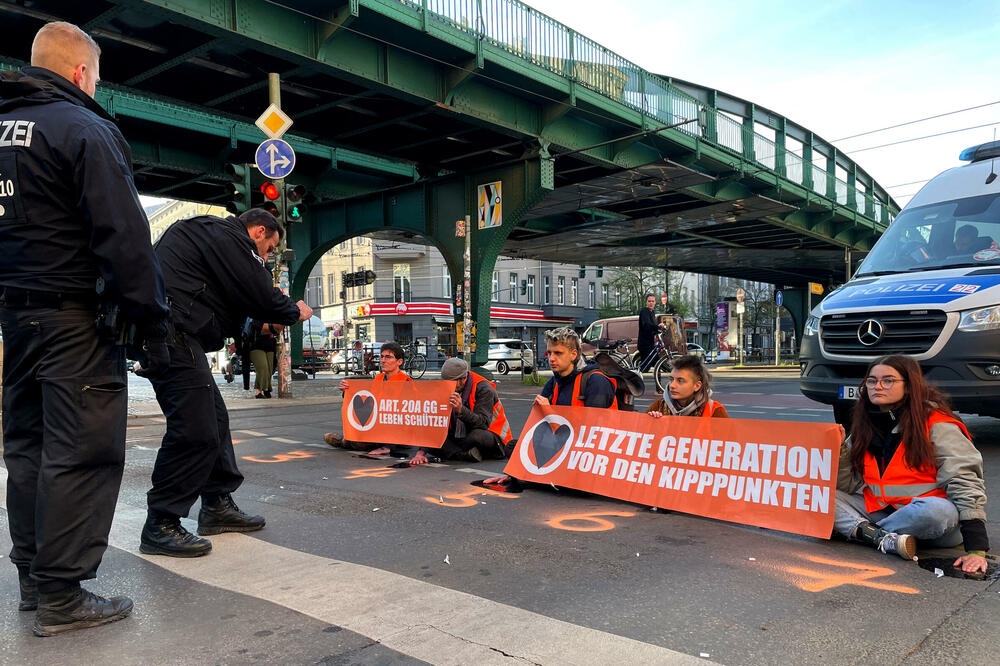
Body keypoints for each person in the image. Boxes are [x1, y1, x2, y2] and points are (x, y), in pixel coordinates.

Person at [0, 22, 171, 636]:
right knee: (80, 454)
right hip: (74, 321)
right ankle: (63, 598)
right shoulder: (84, 129)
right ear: (81, 73)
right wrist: (152, 322)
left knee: (27, 450)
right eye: (95, 77)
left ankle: (31, 581)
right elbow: (124, 239)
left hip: (15, 318)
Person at [140, 209, 313, 558]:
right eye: (268, 249)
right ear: (259, 230)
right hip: (171, 336)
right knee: (196, 429)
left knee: (214, 421)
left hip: (175, 335)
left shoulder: (211, 241)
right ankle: (160, 522)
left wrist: (264, 325)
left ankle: (217, 505)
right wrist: (293, 311)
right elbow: (259, 293)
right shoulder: (227, 235)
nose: (266, 258)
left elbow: (233, 310)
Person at [834, 354, 990, 572]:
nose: (877, 386)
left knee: (937, 511)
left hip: (927, 519)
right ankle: (881, 538)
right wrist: (841, 450)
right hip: (881, 510)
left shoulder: (937, 423)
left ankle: (861, 532)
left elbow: (964, 480)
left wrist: (976, 550)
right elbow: (848, 486)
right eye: (871, 381)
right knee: (819, 498)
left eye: (888, 380)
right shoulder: (864, 425)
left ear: (908, 386)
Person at [484, 327, 616, 486]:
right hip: (563, 444)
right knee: (515, 446)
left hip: (590, 451)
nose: (551, 358)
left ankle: (551, 478)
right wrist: (512, 473)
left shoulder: (596, 381)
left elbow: (592, 434)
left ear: (573, 354)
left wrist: (549, 412)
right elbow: (535, 427)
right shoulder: (555, 381)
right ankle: (546, 476)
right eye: (549, 353)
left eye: (558, 353)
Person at [408, 357, 513, 466]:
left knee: (477, 435)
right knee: (432, 440)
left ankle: (457, 452)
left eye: (451, 382)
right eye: (445, 381)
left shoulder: (484, 389)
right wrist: (420, 453)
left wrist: (460, 410)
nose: (447, 385)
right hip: (460, 437)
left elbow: (483, 423)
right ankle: (465, 453)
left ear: (463, 379)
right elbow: (435, 423)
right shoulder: (446, 388)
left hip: (492, 437)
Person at [323, 342, 413, 455]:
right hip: (376, 426)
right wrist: (347, 391)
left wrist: (388, 446)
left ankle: (347, 441)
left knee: (357, 443)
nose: (383, 360)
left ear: (399, 362)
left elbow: (407, 416)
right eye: (382, 356)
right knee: (357, 439)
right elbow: (367, 399)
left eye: (388, 357)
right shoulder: (379, 378)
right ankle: (350, 440)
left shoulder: (406, 382)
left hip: (394, 433)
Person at [647, 354, 728, 419]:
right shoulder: (657, 407)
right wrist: (651, 422)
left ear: (697, 386)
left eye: (680, 381)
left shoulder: (715, 412)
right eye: (671, 379)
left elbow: (727, 438)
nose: (672, 385)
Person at [250, 323, 281, 398]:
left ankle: (266, 388)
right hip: (256, 346)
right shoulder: (255, 318)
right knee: (262, 367)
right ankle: (258, 391)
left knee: (269, 369)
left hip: (270, 346)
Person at [637, 294, 661, 371]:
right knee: (646, 366)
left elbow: (653, 327)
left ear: (655, 303)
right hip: (645, 344)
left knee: (657, 363)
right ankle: (637, 380)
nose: (651, 303)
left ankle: (659, 380)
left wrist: (659, 329)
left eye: (652, 301)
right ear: (646, 303)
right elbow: (647, 325)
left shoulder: (652, 312)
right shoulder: (644, 311)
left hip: (650, 343)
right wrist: (658, 327)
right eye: (649, 301)